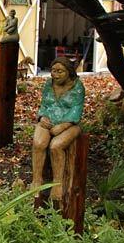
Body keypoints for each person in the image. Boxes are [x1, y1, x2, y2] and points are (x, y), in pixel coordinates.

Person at [31, 57, 84, 202]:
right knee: (39, 143)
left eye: (60, 71)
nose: (55, 75)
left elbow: (76, 111)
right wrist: (42, 117)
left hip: (69, 124)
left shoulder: (77, 87)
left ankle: (58, 184)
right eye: (53, 71)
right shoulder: (49, 84)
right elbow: (43, 105)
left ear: (69, 72)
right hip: (48, 120)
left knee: (56, 146)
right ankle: (37, 180)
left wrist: (63, 126)